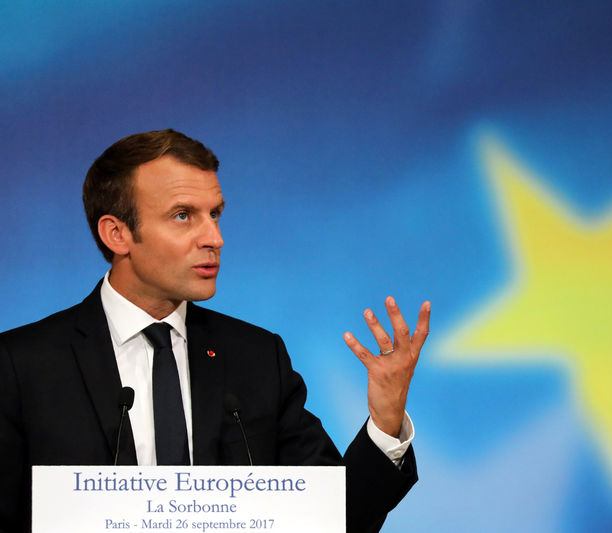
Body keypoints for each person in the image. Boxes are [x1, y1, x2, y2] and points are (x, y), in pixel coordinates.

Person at [0, 129, 430, 533]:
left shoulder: (256, 357)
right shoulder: (23, 365)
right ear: (118, 234)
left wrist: (386, 419)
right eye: (183, 215)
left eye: (216, 214)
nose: (214, 238)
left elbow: (333, 519)